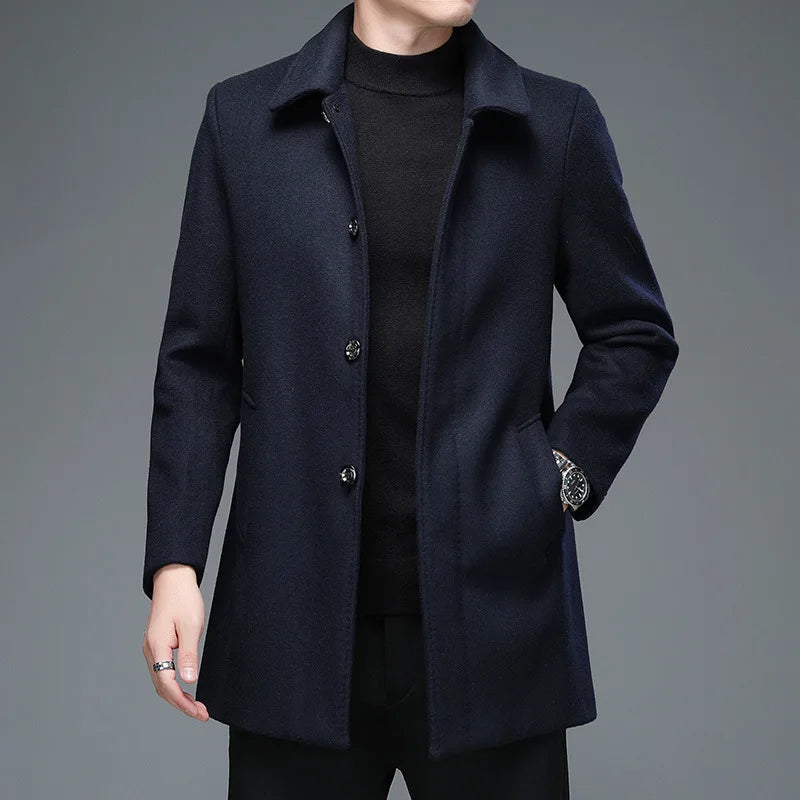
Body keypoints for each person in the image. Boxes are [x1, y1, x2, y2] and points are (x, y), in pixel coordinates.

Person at [141, 1, 679, 797]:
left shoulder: (554, 122)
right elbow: (199, 362)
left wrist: (557, 476)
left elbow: (633, 331)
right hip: (293, 624)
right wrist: (174, 563)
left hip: (495, 624)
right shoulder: (243, 120)